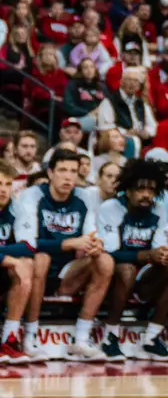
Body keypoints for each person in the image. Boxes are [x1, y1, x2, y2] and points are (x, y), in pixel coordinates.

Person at [14, 148, 114, 360]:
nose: (68, 177)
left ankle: (81, 339)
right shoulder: (32, 195)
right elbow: (27, 243)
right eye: (62, 170)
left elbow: (90, 234)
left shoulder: (84, 197)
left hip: (69, 272)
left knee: (104, 260)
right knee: (41, 258)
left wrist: (95, 244)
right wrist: (69, 243)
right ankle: (30, 336)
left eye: (73, 171)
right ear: (50, 173)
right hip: (35, 269)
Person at [95, 159, 168, 361]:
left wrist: (164, 255)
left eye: (151, 190)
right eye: (140, 189)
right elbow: (111, 252)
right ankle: (110, 336)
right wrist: (147, 255)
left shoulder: (159, 209)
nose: (146, 195)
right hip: (111, 273)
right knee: (127, 270)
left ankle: (151, 338)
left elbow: (159, 246)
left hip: (144, 273)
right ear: (128, 190)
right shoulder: (110, 208)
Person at [0, 164, 35, 362]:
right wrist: (8, 258)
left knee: (27, 264)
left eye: (7, 184)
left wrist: (7, 259)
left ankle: (10, 339)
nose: (3, 190)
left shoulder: (17, 206)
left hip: (3, 269)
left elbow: (28, 246)